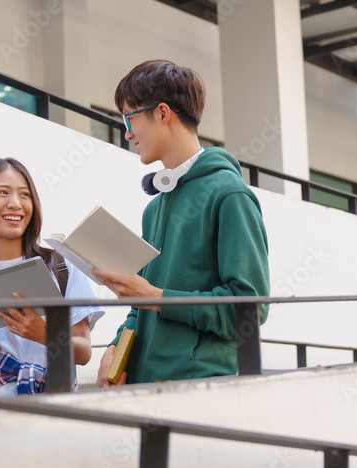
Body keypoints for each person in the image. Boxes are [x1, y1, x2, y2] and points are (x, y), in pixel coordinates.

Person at [94, 60, 270, 386]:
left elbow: (252, 309)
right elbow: (141, 304)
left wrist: (156, 297)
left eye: (129, 117)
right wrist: (115, 347)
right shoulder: (154, 207)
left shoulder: (230, 195)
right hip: (143, 385)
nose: (127, 132)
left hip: (198, 388)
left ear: (162, 114)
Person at [0, 158, 103, 395]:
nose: (15, 204)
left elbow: (84, 353)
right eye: (3, 192)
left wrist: (42, 332)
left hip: (55, 408)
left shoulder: (63, 267)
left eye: (24, 195)